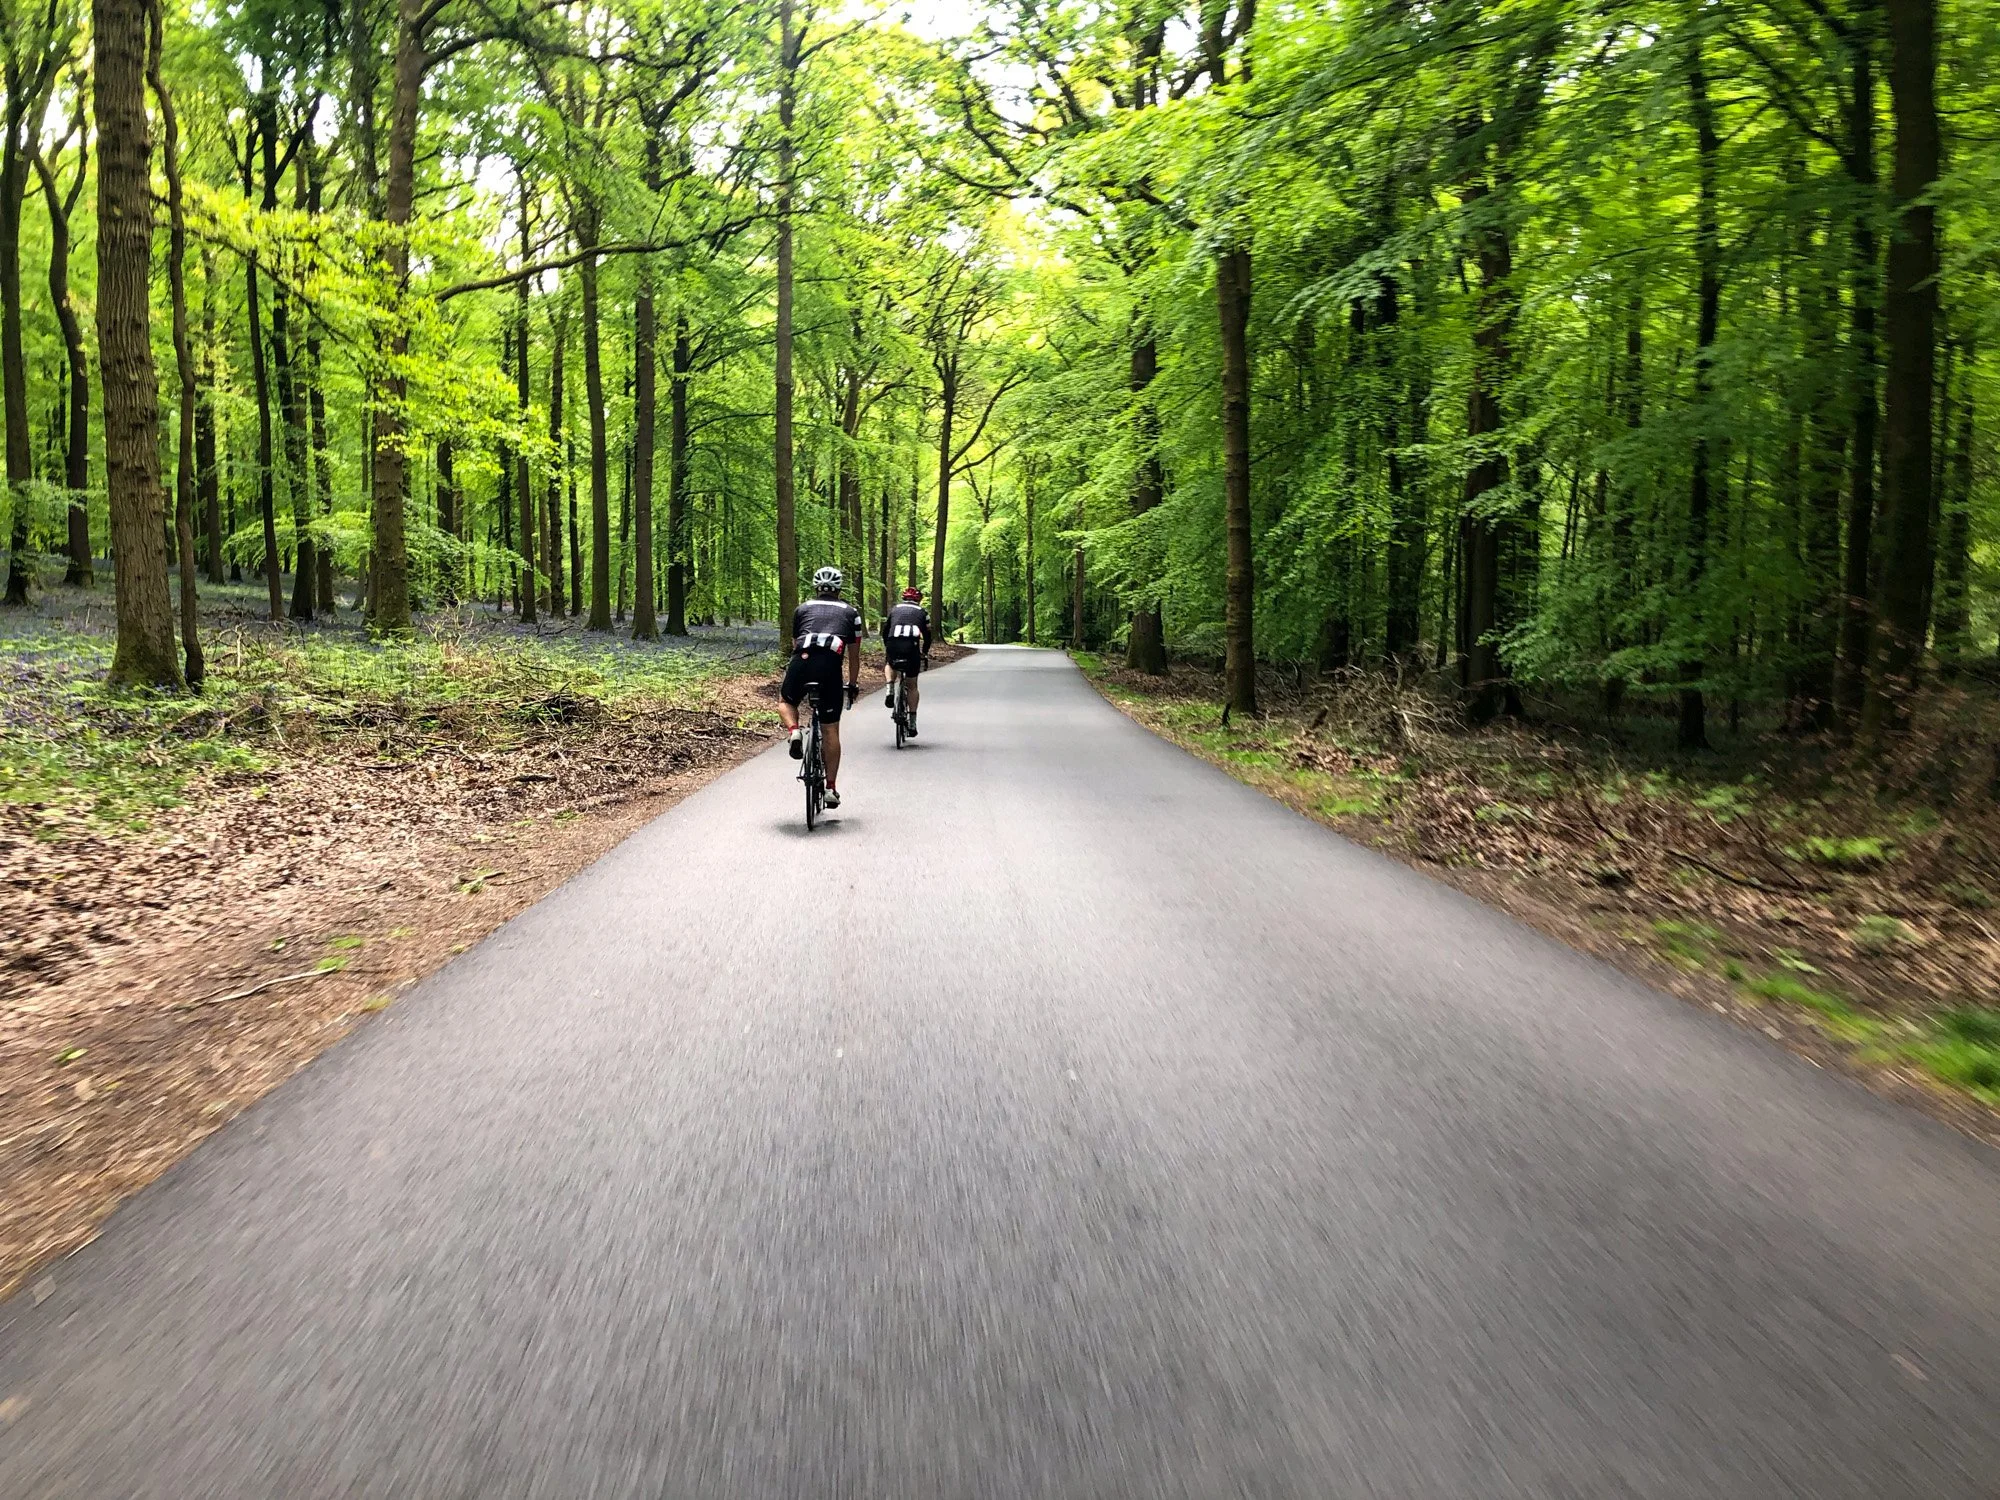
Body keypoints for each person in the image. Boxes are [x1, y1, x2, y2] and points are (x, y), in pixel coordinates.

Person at [780, 566, 862, 807]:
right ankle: (830, 788)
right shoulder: (851, 613)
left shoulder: (802, 609)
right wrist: (852, 684)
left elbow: (795, 643)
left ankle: (794, 731)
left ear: (816, 587)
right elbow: (854, 656)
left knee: (786, 702)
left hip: (802, 659)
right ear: (839, 589)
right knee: (830, 729)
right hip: (829, 666)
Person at [882, 585, 932, 736]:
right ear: (918, 600)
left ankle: (890, 687)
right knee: (912, 686)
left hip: (893, 643)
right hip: (911, 647)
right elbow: (928, 636)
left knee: (889, 663)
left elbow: (885, 631)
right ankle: (912, 722)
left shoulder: (894, 609)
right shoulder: (923, 612)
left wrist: (887, 646)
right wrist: (924, 652)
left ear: (903, 598)